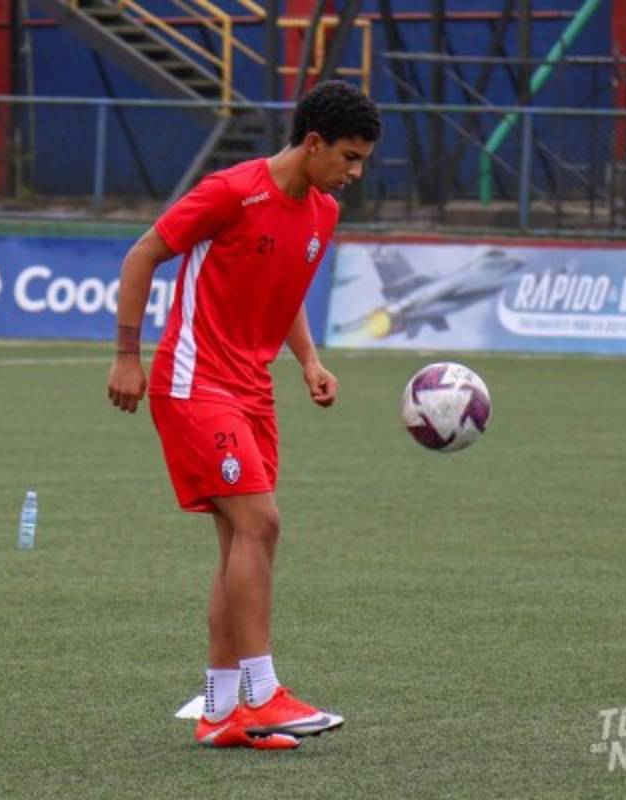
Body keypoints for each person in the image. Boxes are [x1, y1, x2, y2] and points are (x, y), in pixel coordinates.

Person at [106, 80, 380, 750]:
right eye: (347, 157)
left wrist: (309, 363)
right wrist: (125, 355)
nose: (355, 173)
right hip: (193, 381)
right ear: (313, 143)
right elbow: (143, 253)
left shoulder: (321, 214)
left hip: (252, 390)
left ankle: (221, 710)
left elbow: (283, 291)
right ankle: (263, 693)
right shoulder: (232, 190)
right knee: (262, 521)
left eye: (363, 160)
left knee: (240, 540)